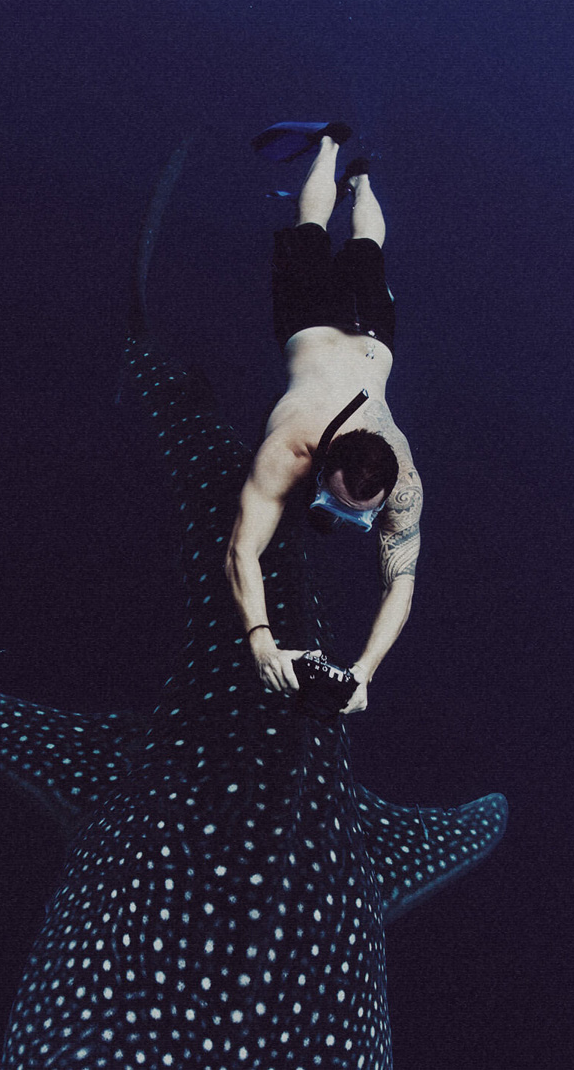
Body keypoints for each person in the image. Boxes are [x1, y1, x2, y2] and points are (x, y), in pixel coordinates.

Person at [226, 122, 423, 714]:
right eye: (336, 505)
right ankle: (333, 148)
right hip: (313, 320)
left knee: (365, 244)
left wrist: (364, 672)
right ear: (318, 465)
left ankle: (356, 174)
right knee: (314, 225)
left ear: (389, 491)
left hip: (366, 335)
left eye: (358, 516)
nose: (341, 520)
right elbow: (241, 551)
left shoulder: (405, 486)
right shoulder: (290, 448)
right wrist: (260, 642)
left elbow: (402, 583)